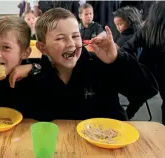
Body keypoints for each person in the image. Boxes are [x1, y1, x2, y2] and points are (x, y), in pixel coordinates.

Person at [10, 8, 158, 121]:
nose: (71, 44)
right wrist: (31, 69)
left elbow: (147, 90)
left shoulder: (101, 65)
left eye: (75, 36)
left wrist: (116, 59)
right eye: (60, 38)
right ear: (43, 48)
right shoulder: (37, 76)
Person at [120, 2, 165, 123]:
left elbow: (126, 48)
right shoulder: (146, 29)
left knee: (141, 93)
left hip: (145, 75)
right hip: (160, 77)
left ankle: (126, 116)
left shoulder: (146, 29)